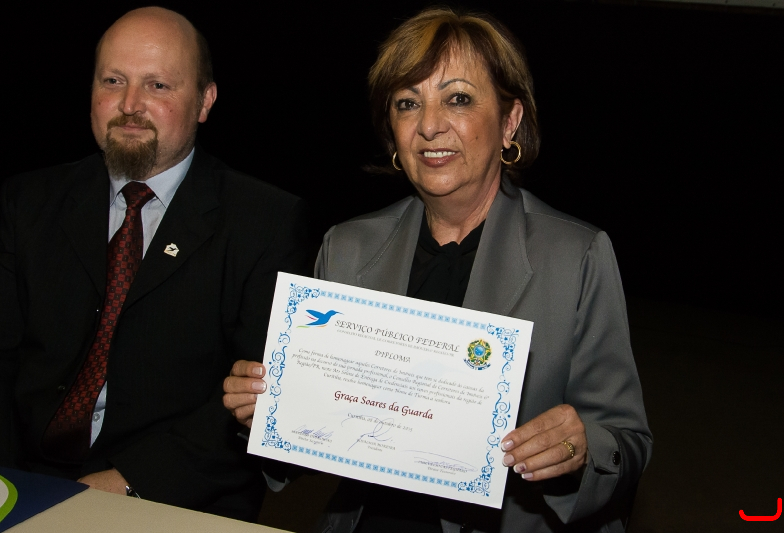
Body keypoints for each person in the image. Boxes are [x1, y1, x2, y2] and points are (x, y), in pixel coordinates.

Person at [224, 7, 651, 532]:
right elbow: (314, 432)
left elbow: (627, 443)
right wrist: (267, 410)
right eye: (408, 103)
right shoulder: (348, 247)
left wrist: (581, 448)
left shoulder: (576, 256)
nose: (429, 125)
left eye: (458, 99)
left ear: (510, 122)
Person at [0, 7, 308, 521]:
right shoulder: (28, 202)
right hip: (24, 482)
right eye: (113, 81)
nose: (130, 105)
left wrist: (131, 483)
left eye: (157, 85)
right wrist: (6, 489)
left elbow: (254, 397)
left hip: (170, 496)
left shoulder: (265, 222)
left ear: (205, 101)